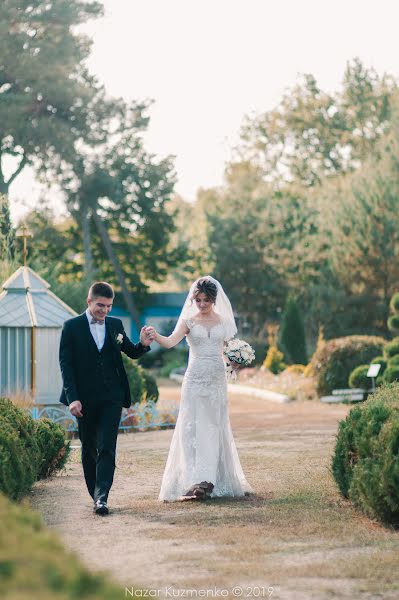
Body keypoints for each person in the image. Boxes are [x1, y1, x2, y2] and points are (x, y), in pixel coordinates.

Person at [146, 275, 253, 502]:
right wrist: (155, 336)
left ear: (214, 299)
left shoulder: (223, 322)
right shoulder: (188, 321)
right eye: (199, 300)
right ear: (194, 299)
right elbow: (170, 341)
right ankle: (194, 479)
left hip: (216, 379)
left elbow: (226, 351)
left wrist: (235, 361)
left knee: (214, 426)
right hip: (194, 379)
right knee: (191, 428)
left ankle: (209, 480)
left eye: (206, 300)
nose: (202, 304)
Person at [59, 281, 154, 515]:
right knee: (89, 447)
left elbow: (130, 351)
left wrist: (142, 344)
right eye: (101, 305)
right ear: (89, 301)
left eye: (109, 306)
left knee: (108, 447)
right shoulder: (71, 327)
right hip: (84, 399)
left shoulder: (115, 324)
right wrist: (73, 398)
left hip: (112, 396)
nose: (105, 311)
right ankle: (95, 494)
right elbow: (66, 365)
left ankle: (102, 497)